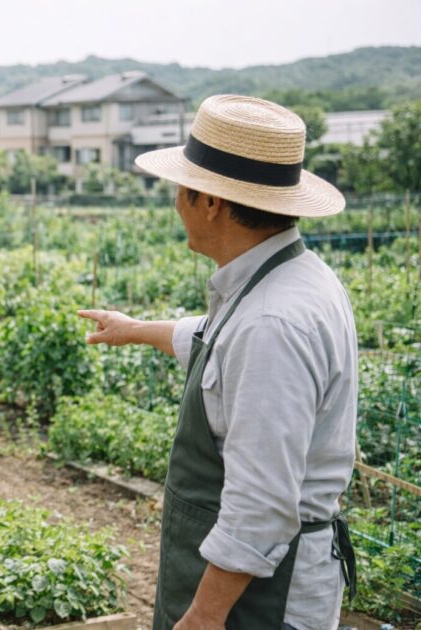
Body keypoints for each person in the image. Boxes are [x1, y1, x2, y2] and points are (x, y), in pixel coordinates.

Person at [78, 95, 357, 630]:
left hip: (261, 602)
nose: (175, 203)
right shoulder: (288, 279)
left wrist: (204, 616)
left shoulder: (272, 322)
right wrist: (136, 330)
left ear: (208, 201)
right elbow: (217, 343)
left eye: (181, 190)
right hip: (261, 585)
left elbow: (262, 503)